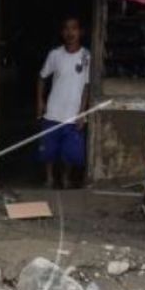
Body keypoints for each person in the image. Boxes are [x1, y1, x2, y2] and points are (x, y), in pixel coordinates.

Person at [35, 15, 91, 189]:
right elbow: (42, 77)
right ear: (62, 32)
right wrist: (40, 101)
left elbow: (87, 87)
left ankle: (66, 178)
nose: (70, 32)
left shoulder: (86, 56)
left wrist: (83, 112)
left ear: (80, 32)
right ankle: (50, 178)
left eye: (74, 28)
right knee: (48, 149)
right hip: (53, 110)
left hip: (73, 113)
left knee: (71, 152)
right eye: (66, 28)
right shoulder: (55, 55)